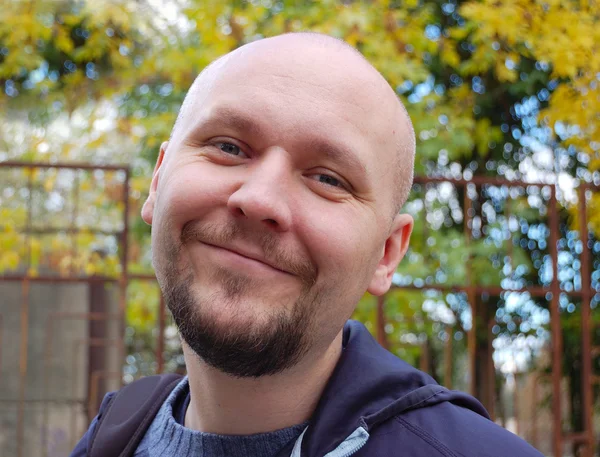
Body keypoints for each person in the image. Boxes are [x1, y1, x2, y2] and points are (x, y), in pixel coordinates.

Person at [70, 32, 543, 457]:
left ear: (387, 253)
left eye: (327, 178)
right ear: (158, 181)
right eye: (229, 147)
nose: (259, 200)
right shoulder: (110, 436)